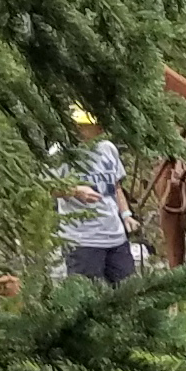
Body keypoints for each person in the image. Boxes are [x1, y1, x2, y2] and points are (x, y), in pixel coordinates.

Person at [55, 104, 136, 284]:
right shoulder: (61, 153)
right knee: (87, 298)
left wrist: (126, 215)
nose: (100, 128)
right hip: (82, 241)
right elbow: (48, 187)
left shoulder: (108, 148)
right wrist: (76, 191)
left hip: (116, 238)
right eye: (92, 124)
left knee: (131, 293)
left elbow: (115, 187)